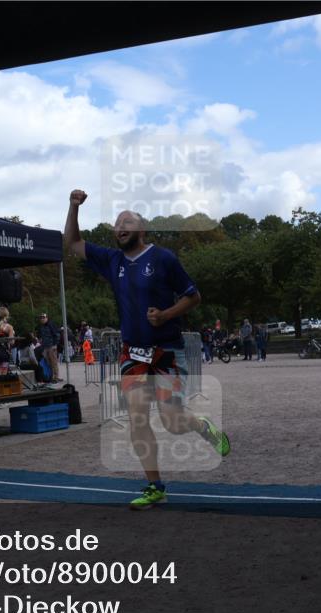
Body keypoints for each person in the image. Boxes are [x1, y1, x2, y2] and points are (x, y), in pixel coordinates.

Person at [64, 188, 231, 510]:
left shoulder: (163, 258)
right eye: (116, 223)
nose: (119, 226)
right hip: (133, 354)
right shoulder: (112, 261)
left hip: (166, 351)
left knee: (171, 421)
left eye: (126, 221)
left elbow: (193, 296)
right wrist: (73, 208)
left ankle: (201, 425)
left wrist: (166, 314)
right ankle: (155, 486)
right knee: (138, 418)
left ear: (142, 229)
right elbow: (72, 243)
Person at [35, 313, 62, 383]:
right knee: (48, 362)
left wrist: (55, 344)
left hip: (51, 346)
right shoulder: (41, 327)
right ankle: (51, 376)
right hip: (45, 347)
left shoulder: (51, 325)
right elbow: (40, 336)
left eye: (44, 317)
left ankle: (56, 377)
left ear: (47, 318)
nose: (42, 319)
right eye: (41, 318)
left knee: (54, 362)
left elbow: (57, 335)